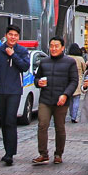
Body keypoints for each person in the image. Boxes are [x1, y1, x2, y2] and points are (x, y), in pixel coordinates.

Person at [0, 25, 31, 165]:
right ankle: (7, 151)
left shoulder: (22, 51)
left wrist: (13, 55)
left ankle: (10, 154)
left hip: (14, 91)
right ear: (6, 35)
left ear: (18, 37)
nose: (13, 37)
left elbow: (25, 66)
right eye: (10, 34)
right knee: (4, 121)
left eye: (16, 35)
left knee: (11, 120)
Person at [32, 37, 79, 165]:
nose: (53, 48)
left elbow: (74, 81)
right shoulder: (44, 62)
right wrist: (38, 82)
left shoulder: (70, 62)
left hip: (61, 101)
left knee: (60, 127)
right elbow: (36, 79)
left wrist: (65, 95)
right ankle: (43, 154)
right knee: (42, 125)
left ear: (63, 47)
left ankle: (58, 153)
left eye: (56, 46)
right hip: (45, 99)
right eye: (51, 46)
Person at [67, 43, 87, 123]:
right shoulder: (80, 59)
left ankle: (71, 114)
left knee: (70, 99)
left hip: (68, 80)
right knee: (76, 99)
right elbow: (84, 69)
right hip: (78, 80)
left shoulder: (67, 58)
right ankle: (74, 116)